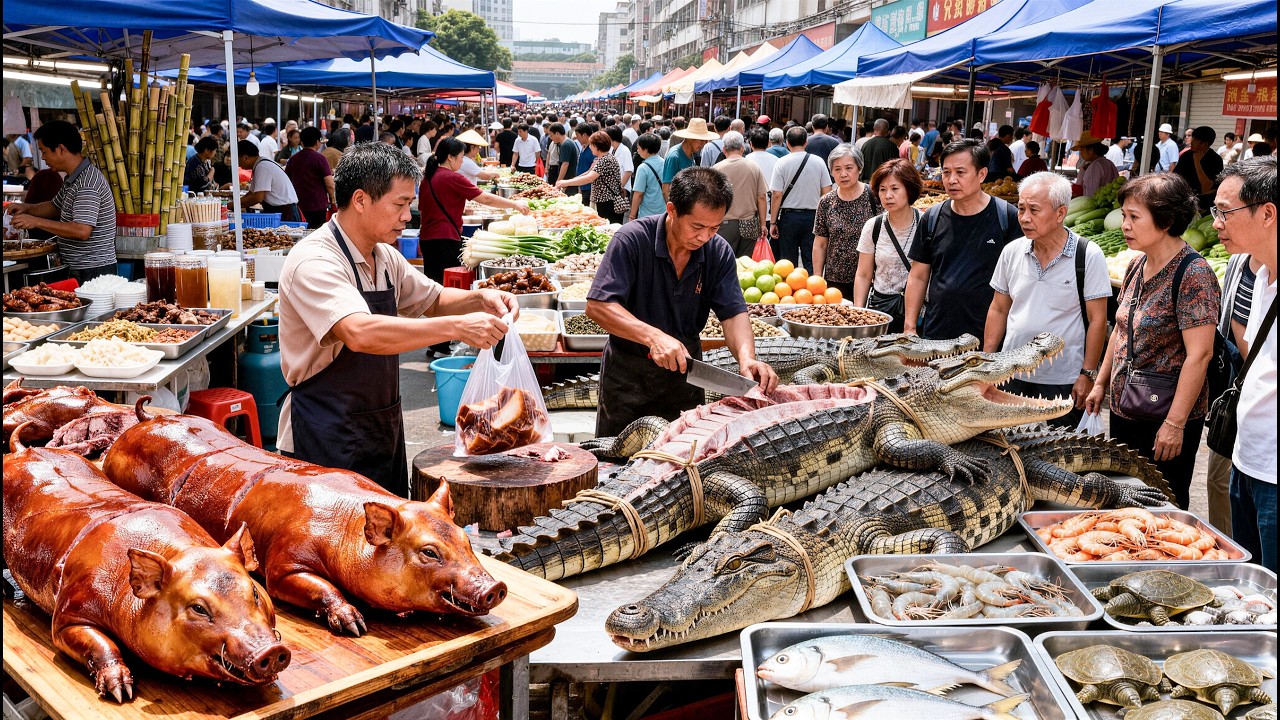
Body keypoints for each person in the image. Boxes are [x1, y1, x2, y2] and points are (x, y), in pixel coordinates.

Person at [277, 143, 519, 494]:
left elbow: (433, 299)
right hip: (324, 433)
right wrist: (456, 327)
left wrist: (480, 298)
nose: (408, 216)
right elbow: (359, 332)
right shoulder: (315, 261)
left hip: (380, 427)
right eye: (400, 204)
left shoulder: (384, 257)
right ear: (360, 200)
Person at [586, 167, 779, 436]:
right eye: (697, 226)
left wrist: (746, 359)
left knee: (681, 464)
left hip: (685, 377)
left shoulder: (717, 251)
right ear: (672, 210)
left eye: (714, 227)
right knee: (617, 466)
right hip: (628, 378)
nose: (704, 237)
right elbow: (598, 306)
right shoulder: (631, 239)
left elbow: (733, 313)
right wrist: (653, 337)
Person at [1083, 173, 1220, 510]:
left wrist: (1174, 424)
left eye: (1134, 217)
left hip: (1165, 415)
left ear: (1166, 221)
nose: (1125, 225)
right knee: (1125, 499)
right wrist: (1100, 383)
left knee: (1162, 504)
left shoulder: (1193, 274)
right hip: (1127, 405)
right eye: (1125, 216)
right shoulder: (1137, 264)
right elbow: (1120, 329)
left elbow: (1200, 355)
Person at [985, 172, 1111, 429]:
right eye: (1021, 209)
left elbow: (1097, 320)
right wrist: (987, 365)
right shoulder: (1012, 251)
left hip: (1062, 379)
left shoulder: (1087, 255)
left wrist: (1087, 374)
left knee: (1056, 457)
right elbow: (998, 309)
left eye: (1034, 210)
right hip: (1012, 373)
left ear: (1060, 213)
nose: (1024, 218)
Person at [1212, 156, 1277, 571]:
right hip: (1246, 459)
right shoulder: (1262, 276)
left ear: (1267, 213)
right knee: (1253, 586)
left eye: (1225, 211)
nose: (1216, 222)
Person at [904, 138, 1023, 340]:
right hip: (937, 336)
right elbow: (918, 276)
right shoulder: (932, 218)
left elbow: (1018, 282)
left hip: (988, 342)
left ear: (982, 174)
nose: (951, 180)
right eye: (946, 172)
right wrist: (909, 328)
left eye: (960, 172)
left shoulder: (1007, 218)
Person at [6, 121, 116, 282]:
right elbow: (54, 207)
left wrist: (36, 221)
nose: (43, 158)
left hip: (92, 270)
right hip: (77, 267)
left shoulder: (87, 183)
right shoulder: (74, 178)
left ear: (60, 149)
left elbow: (81, 230)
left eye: (44, 151)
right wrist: (25, 208)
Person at [418, 138, 531, 285]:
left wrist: (461, 209)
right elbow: (485, 199)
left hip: (427, 239)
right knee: (446, 284)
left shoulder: (428, 177)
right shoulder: (453, 177)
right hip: (445, 239)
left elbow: (426, 208)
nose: (462, 161)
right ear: (450, 157)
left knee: (432, 283)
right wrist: (514, 204)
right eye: (461, 157)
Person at [853, 159, 922, 333]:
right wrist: (858, 313)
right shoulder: (873, 226)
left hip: (920, 310)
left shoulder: (926, 224)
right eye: (882, 190)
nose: (888, 195)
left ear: (909, 189)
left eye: (895, 189)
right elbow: (863, 274)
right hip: (881, 309)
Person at [813, 144, 876, 299]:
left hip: (869, 279)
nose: (843, 174)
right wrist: (817, 279)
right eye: (837, 169)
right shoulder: (826, 202)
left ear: (859, 169)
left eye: (849, 168)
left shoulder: (874, 197)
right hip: (834, 279)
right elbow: (820, 243)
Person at [769, 126, 832, 271]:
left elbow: (776, 195)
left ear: (787, 143)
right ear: (806, 142)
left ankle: (788, 292)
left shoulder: (781, 163)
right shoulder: (819, 161)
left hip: (788, 218)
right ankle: (811, 290)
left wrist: (773, 222)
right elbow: (827, 191)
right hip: (813, 217)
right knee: (810, 259)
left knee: (788, 263)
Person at [711, 131, 768, 256]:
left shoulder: (716, 169)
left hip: (725, 223)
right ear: (742, 149)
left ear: (724, 150)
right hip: (749, 222)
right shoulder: (754, 167)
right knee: (746, 264)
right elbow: (762, 197)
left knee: (724, 260)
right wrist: (763, 224)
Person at [557, 131, 626, 225]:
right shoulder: (603, 158)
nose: (590, 147)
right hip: (603, 201)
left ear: (597, 146)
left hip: (606, 202)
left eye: (591, 145)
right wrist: (567, 181)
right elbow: (588, 173)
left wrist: (565, 183)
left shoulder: (605, 160)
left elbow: (589, 178)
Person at [285, 127, 337, 229]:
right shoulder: (320, 159)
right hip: (318, 206)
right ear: (318, 142)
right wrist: (333, 201)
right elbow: (330, 184)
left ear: (302, 142)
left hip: (298, 206)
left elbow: (287, 180)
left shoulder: (293, 159)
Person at [238, 141, 299, 222]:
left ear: (245, 157)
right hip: (279, 210)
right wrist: (239, 203)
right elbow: (252, 193)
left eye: (237, 160)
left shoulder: (262, 166)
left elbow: (258, 197)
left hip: (285, 212)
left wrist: (235, 204)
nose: (238, 164)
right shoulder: (260, 165)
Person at [1173, 125, 1225, 211]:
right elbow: (1176, 177)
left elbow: (1208, 187)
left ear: (1205, 144)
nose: (1192, 142)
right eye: (1192, 138)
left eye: (1196, 140)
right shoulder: (1186, 155)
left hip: (1205, 204)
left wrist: (1197, 162)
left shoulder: (1215, 159)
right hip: (1184, 200)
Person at [663, 118, 716, 197]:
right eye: (701, 140)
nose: (704, 144)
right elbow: (666, 189)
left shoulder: (692, 154)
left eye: (706, 141)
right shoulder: (674, 156)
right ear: (690, 138)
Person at [629, 132, 667, 221]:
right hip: (664, 212)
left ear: (645, 149)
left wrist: (632, 215)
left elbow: (638, 194)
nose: (637, 151)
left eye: (638, 148)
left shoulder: (643, 168)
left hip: (647, 215)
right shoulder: (665, 162)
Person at [1073, 133, 1119, 198]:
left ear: (1090, 150)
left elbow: (1090, 195)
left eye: (1081, 150)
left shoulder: (1095, 166)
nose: (1081, 154)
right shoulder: (1109, 163)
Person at [860, 119, 899, 183]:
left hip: (866, 182)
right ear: (887, 130)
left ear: (874, 128)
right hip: (883, 183)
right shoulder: (891, 146)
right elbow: (895, 168)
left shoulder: (866, 144)